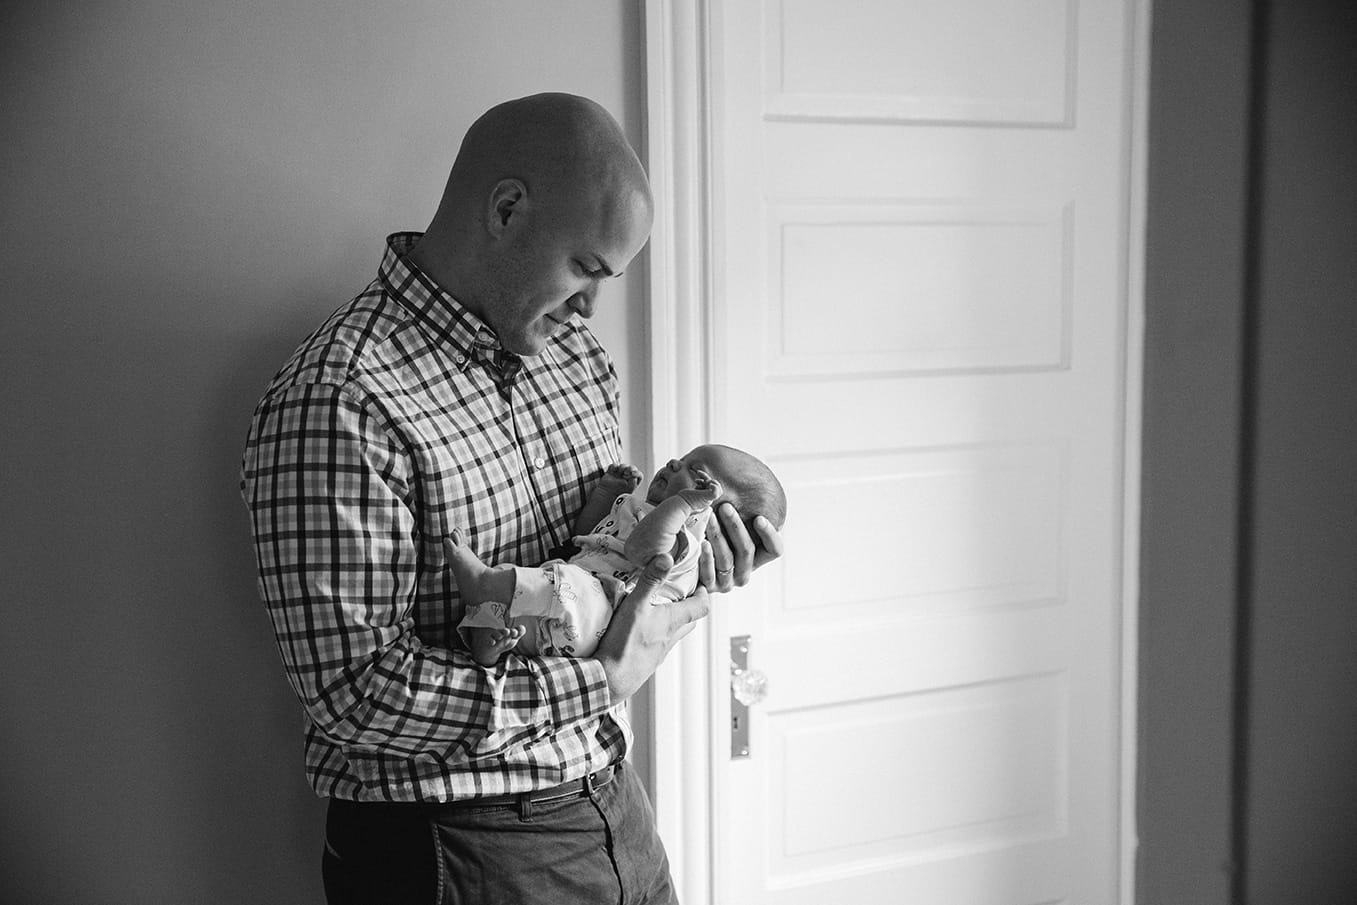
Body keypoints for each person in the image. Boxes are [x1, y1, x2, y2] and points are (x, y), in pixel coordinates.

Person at [239, 92, 783, 905]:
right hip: (459, 847)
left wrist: (695, 550)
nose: (593, 307)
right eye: (586, 268)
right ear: (505, 209)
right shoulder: (341, 398)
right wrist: (599, 679)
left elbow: (592, 562)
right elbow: (353, 691)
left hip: (614, 805)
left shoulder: (577, 359)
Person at [451, 444, 787, 665]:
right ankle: (488, 644)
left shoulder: (684, 545)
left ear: (709, 511)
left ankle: (485, 584)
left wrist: (683, 505)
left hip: (600, 614)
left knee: (554, 585)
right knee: (530, 607)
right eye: (681, 458)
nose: (672, 462)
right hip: (575, 608)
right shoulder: (638, 509)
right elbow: (589, 537)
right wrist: (608, 494)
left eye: (695, 473)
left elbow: (641, 549)